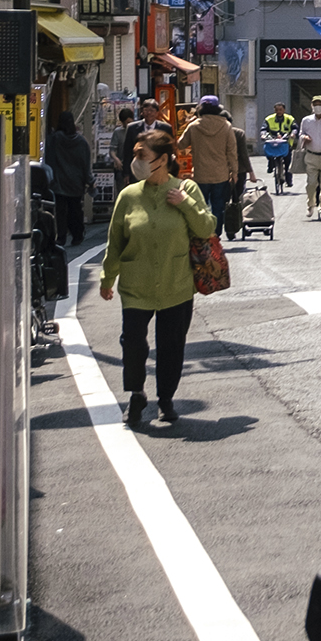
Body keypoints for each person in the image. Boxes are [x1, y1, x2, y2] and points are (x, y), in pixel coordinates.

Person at [97, 131, 218, 428]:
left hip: (176, 283)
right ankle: (136, 394)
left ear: (163, 160)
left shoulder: (185, 188)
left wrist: (185, 203)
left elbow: (207, 228)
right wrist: (106, 278)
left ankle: (166, 398)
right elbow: (115, 241)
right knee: (134, 343)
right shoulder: (129, 196)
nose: (135, 161)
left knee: (172, 345)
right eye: (135, 155)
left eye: (142, 156)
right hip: (136, 286)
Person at [183, 95, 247, 241]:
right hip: (221, 174)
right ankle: (215, 235)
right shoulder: (226, 126)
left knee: (201, 205)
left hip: (200, 173)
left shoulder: (194, 125)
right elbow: (232, 151)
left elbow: (181, 144)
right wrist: (234, 172)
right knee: (218, 206)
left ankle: (202, 233)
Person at [43, 111, 93, 247]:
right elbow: (86, 164)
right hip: (76, 183)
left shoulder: (54, 139)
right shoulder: (81, 142)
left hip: (59, 182)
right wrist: (90, 181)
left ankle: (61, 237)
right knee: (75, 210)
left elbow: (48, 159)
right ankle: (77, 234)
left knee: (60, 211)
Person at [261, 104, 296, 192]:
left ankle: (288, 179)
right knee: (268, 151)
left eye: (280, 109)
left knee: (287, 161)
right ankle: (271, 163)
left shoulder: (289, 119)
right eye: (277, 110)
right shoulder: (269, 119)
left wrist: (293, 134)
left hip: (285, 143)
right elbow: (264, 129)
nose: (279, 111)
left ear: (284, 110)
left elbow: (295, 128)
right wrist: (263, 135)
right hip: (273, 142)